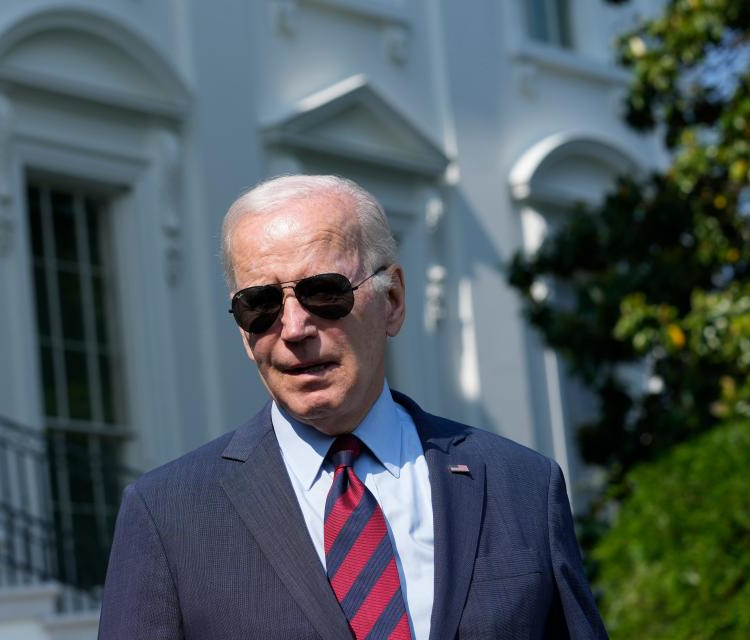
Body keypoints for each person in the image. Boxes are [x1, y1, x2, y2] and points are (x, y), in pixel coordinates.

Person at [98, 175, 607, 639]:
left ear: (393, 301)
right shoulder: (167, 513)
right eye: (261, 305)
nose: (294, 329)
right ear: (242, 329)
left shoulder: (520, 485)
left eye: (324, 292)